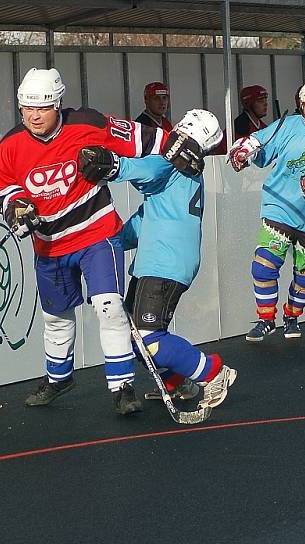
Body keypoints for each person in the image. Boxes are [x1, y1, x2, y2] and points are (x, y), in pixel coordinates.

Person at [0, 67, 166, 415]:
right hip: (50, 245)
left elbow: (142, 138)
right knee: (56, 317)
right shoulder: (9, 147)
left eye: (42, 107)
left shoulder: (86, 123)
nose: (33, 115)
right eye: (26, 108)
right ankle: (59, 378)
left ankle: (122, 386)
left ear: (57, 104)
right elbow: (6, 188)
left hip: (96, 233)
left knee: (109, 307)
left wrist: (179, 145)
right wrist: (17, 208)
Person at [77, 110, 237, 409]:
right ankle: (178, 383)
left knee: (148, 335)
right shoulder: (185, 170)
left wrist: (114, 165)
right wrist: (113, 241)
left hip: (165, 263)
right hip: (160, 260)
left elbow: (148, 171)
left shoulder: (174, 164)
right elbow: (149, 217)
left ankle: (213, 372)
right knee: (135, 333)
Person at [227, 78, 305, 341]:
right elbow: (260, 147)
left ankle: (291, 316)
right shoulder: (287, 125)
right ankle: (265, 319)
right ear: (302, 102)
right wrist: (245, 150)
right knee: (263, 266)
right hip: (280, 207)